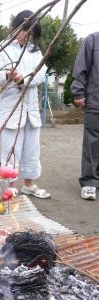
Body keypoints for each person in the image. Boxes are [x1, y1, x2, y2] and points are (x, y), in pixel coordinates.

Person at [0, 10, 50, 199]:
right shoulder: (1, 47)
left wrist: (24, 78)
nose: (26, 36)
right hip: (11, 107)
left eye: (31, 34)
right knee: (10, 149)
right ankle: (11, 184)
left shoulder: (35, 50)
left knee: (32, 149)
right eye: (24, 31)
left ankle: (29, 184)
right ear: (15, 27)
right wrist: (7, 75)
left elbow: (41, 73)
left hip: (31, 109)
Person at [71, 32, 99, 201]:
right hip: (96, 100)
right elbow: (81, 67)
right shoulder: (93, 40)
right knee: (92, 141)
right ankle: (89, 181)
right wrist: (78, 91)